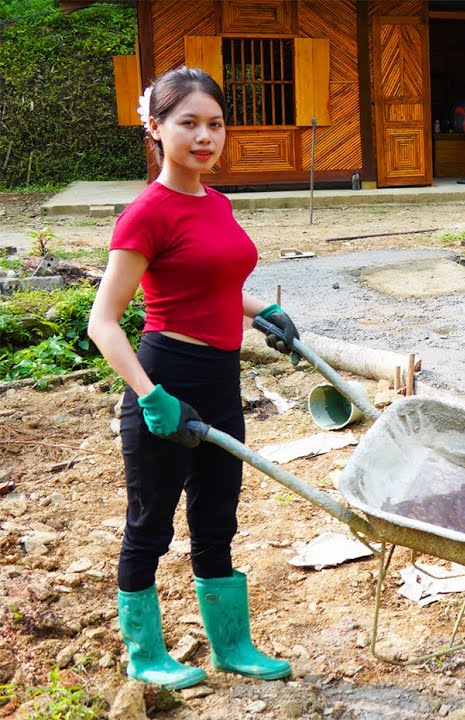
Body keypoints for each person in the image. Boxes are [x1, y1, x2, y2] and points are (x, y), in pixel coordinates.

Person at [87, 67, 299, 690]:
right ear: (155, 128)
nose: (205, 137)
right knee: (150, 522)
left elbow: (216, 284)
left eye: (215, 124)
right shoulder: (144, 215)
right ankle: (145, 655)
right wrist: (151, 398)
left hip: (218, 379)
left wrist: (264, 311)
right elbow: (104, 323)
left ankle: (232, 646)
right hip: (164, 377)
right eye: (188, 124)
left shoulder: (217, 201)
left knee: (217, 516)